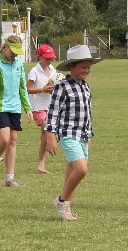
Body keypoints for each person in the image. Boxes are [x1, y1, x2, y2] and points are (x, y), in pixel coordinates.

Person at [45, 45, 102, 220]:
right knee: (81, 170)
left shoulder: (86, 87)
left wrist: (89, 134)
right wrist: (50, 136)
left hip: (83, 135)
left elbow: (87, 113)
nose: (86, 70)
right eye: (83, 67)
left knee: (72, 173)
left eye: (89, 67)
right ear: (72, 66)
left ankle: (65, 210)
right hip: (68, 134)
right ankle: (62, 200)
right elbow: (53, 112)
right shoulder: (62, 87)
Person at [0, 35, 33, 187]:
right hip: (0, 107)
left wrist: (27, 108)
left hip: (15, 107)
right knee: (4, 139)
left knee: (12, 141)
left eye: (17, 52)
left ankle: (10, 178)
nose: (15, 54)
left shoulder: (18, 63)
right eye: (13, 51)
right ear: (5, 47)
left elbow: (22, 87)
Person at [27, 44, 57, 174]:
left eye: (51, 58)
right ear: (39, 56)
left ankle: (41, 163)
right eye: (47, 58)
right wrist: (42, 90)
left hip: (50, 106)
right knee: (46, 128)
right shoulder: (34, 71)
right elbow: (27, 89)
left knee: (45, 134)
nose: (49, 60)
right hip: (38, 106)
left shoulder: (53, 70)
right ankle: (41, 163)